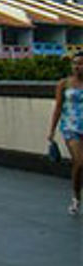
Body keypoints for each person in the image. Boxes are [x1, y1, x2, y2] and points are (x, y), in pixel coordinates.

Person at [47, 50, 83, 216]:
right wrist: (52, 131)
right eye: (75, 63)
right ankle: (76, 197)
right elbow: (58, 107)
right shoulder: (64, 84)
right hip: (71, 127)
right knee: (79, 161)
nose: (78, 67)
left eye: (81, 64)